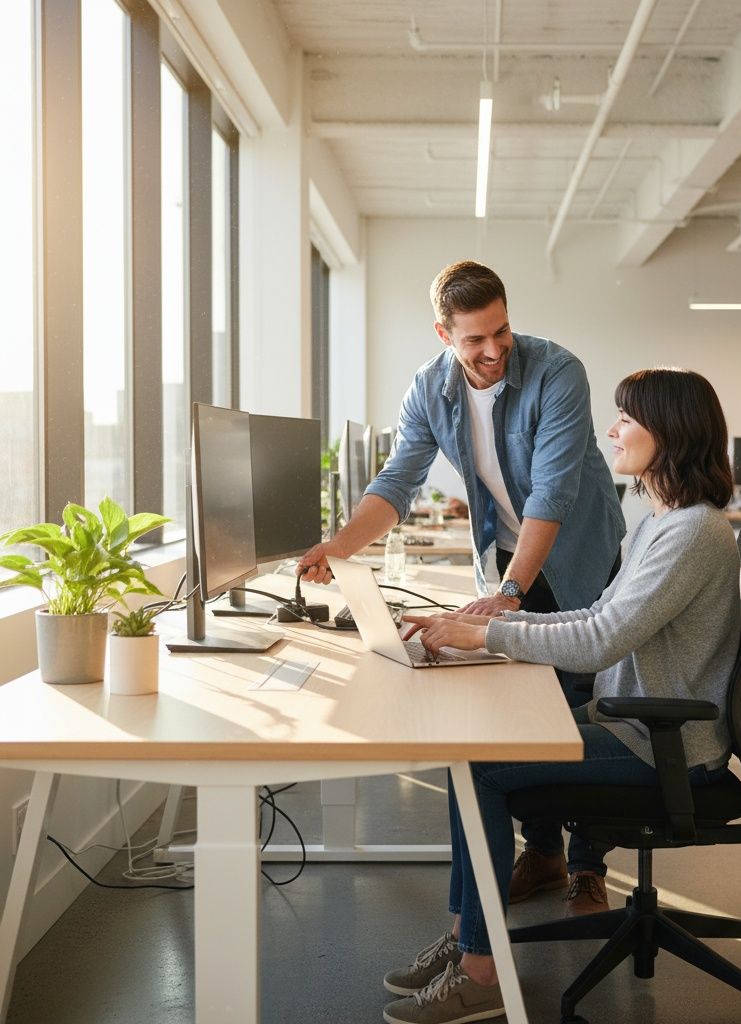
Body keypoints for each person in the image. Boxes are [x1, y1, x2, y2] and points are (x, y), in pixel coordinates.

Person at [381, 368, 740, 1024]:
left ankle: (481, 970)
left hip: (662, 743)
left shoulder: (691, 533)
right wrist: (490, 628)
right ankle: (470, 938)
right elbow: (594, 613)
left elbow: (600, 640)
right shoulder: (660, 523)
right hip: (633, 722)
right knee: (472, 751)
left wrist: (487, 633)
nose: (613, 430)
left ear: (670, 432)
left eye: (627, 419)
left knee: (478, 768)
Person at [298, 260, 626, 911]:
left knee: (580, 709)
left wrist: (509, 595)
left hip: (579, 558)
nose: (494, 349)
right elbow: (397, 484)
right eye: (475, 338)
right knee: (521, 716)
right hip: (507, 560)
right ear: (444, 333)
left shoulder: (556, 372)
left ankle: (589, 864)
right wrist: (339, 546)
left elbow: (553, 495)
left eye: (501, 331)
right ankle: (546, 854)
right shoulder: (428, 389)